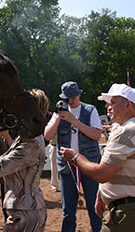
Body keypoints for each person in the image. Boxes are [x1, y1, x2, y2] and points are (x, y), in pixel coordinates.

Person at [60, 83, 135, 231]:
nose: (108, 106)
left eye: (113, 102)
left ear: (128, 104)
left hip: (130, 212)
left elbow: (102, 173)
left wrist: (75, 158)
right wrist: (102, 195)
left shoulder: (126, 131)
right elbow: (119, 168)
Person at [0, 88, 48, 232]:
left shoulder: (30, 144)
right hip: (27, 208)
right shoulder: (28, 137)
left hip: (25, 212)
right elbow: (2, 159)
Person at [44, 81, 103, 232]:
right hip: (67, 167)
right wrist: (58, 117)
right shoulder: (59, 113)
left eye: (73, 98)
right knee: (68, 211)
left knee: (94, 207)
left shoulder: (89, 110)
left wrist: (74, 121)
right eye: (66, 98)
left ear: (79, 95)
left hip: (89, 164)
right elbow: (47, 135)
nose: (70, 101)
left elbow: (96, 135)